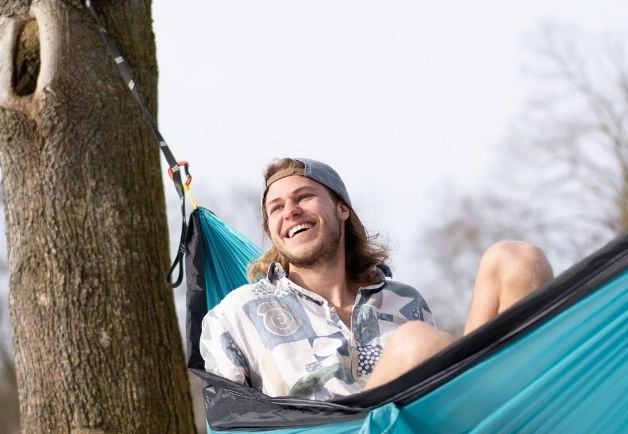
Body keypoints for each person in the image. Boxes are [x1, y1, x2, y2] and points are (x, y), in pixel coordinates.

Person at [200, 158, 554, 399]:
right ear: (271, 231)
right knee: (417, 343)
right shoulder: (238, 311)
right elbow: (227, 431)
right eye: (275, 208)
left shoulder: (404, 301)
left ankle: (530, 419)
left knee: (517, 259)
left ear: (342, 210)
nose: (290, 211)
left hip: (449, 425)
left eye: (304, 196)